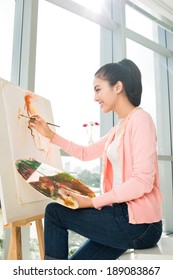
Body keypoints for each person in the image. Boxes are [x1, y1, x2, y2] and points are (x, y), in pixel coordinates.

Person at [28, 58, 162, 260]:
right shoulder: (119, 128)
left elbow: (142, 182)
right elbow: (86, 153)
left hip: (140, 225)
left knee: (55, 213)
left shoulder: (142, 120)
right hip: (121, 217)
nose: (95, 97)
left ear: (118, 87)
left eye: (98, 89)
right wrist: (50, 135)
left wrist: (92, 202)